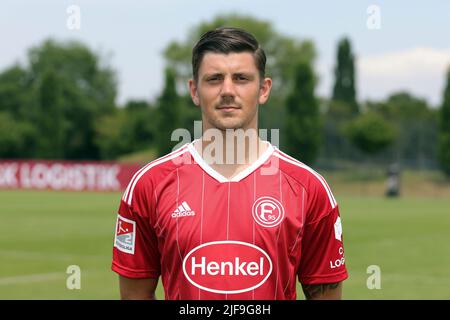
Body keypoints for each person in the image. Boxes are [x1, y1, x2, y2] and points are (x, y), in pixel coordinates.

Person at [112, 27, 348, 300]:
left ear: (263, 89)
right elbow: (134, 296)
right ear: (194, 90)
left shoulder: (309, 188)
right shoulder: (149, 185)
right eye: (214, 79)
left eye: (241, 78)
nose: (227, 90)